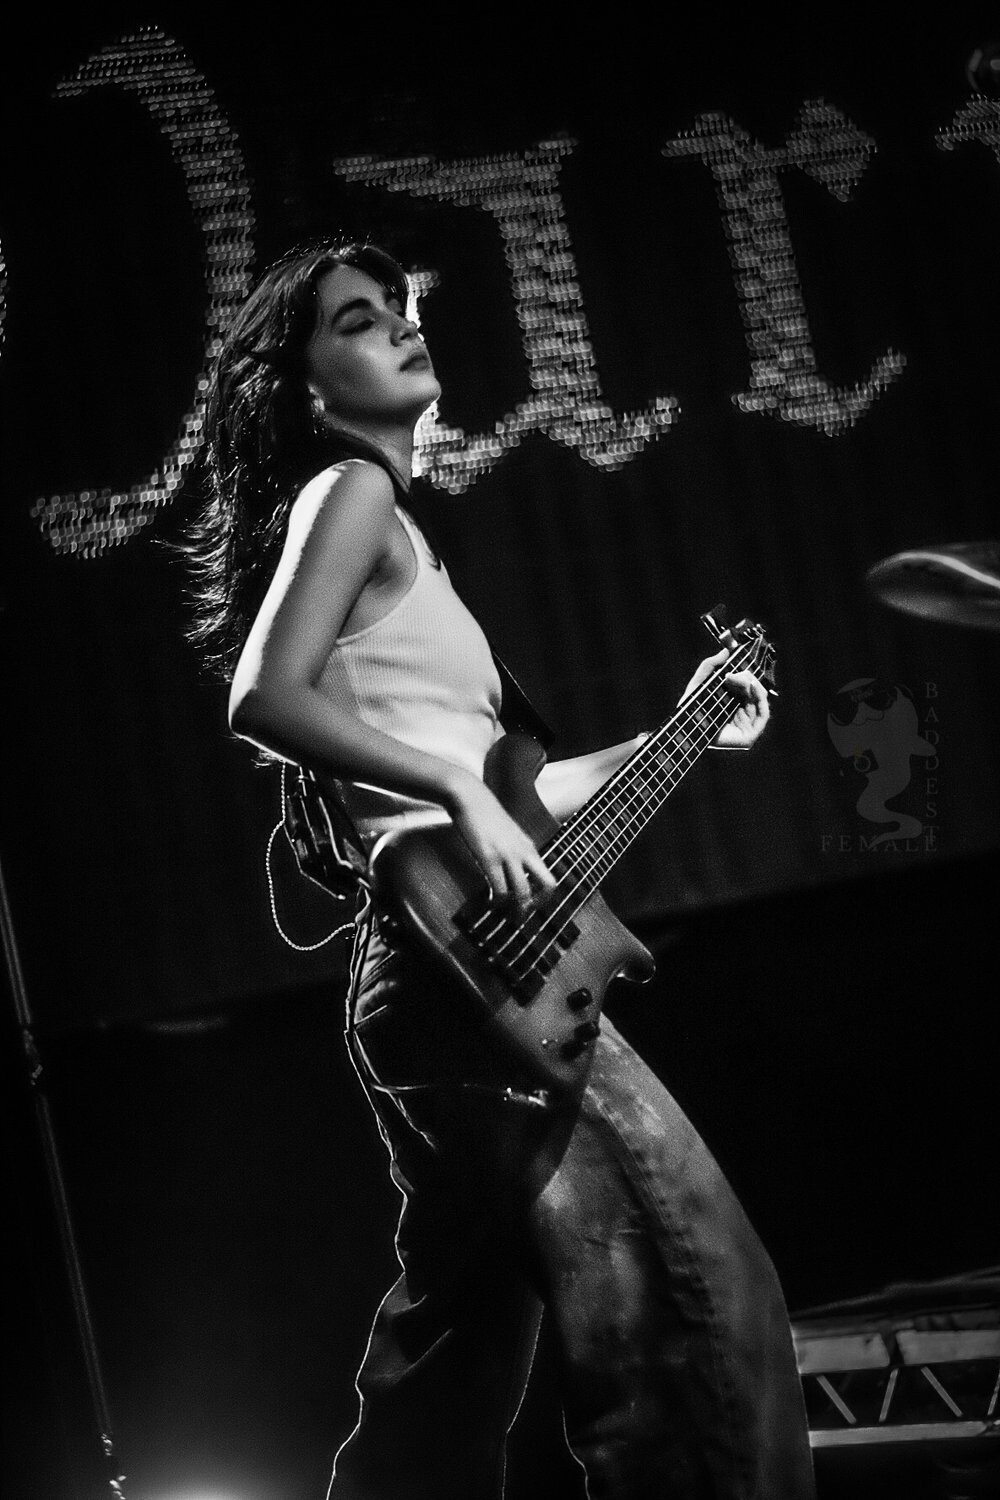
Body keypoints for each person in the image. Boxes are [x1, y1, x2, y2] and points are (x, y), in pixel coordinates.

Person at [185, 237, 817, 1499]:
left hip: (438, 975)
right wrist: (456, 790)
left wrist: (682, 728)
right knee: (695, 1306)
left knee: (447, 1372)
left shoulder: (398, 534)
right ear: (306, 388)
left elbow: (521, 805)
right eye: (357, 320)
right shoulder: (349, 493)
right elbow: (265, 696)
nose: (398, 325)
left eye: (398, 306)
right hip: (465, 981)